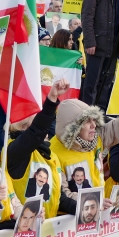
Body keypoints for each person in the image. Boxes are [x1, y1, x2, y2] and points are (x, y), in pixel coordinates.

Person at [50, 94, 119, 197]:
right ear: (73, 127)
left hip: (97, 208)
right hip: (74, 213)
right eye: (87, 121)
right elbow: (61, 195)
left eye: (94, 119)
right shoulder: (53, 153)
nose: (94, 125)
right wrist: (95, 201)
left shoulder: (97, 137)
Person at [6, 79, 73, 218]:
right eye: (38, 120)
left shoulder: (51, 156)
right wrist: (51, 99)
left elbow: (58, 199)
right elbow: (37, 132)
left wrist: (87, 207)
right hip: (24, 232)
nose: (46, 129)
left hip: (47, 232)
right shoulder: (16, 151)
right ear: (24, 127)